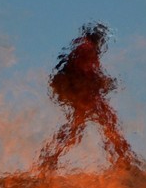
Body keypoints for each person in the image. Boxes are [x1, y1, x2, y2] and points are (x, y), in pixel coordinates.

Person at [36, 22, 138, 172]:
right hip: (85, 96)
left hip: (85, 95)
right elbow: (85, 73)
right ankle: (124, 162)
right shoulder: (86, 49)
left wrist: (102, 82)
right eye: (101, 38)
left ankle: (49, 161)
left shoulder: (84, 49)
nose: (102, 42)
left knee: (79, 128)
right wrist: (103, 82)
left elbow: (86, 73)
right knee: (107, 124)